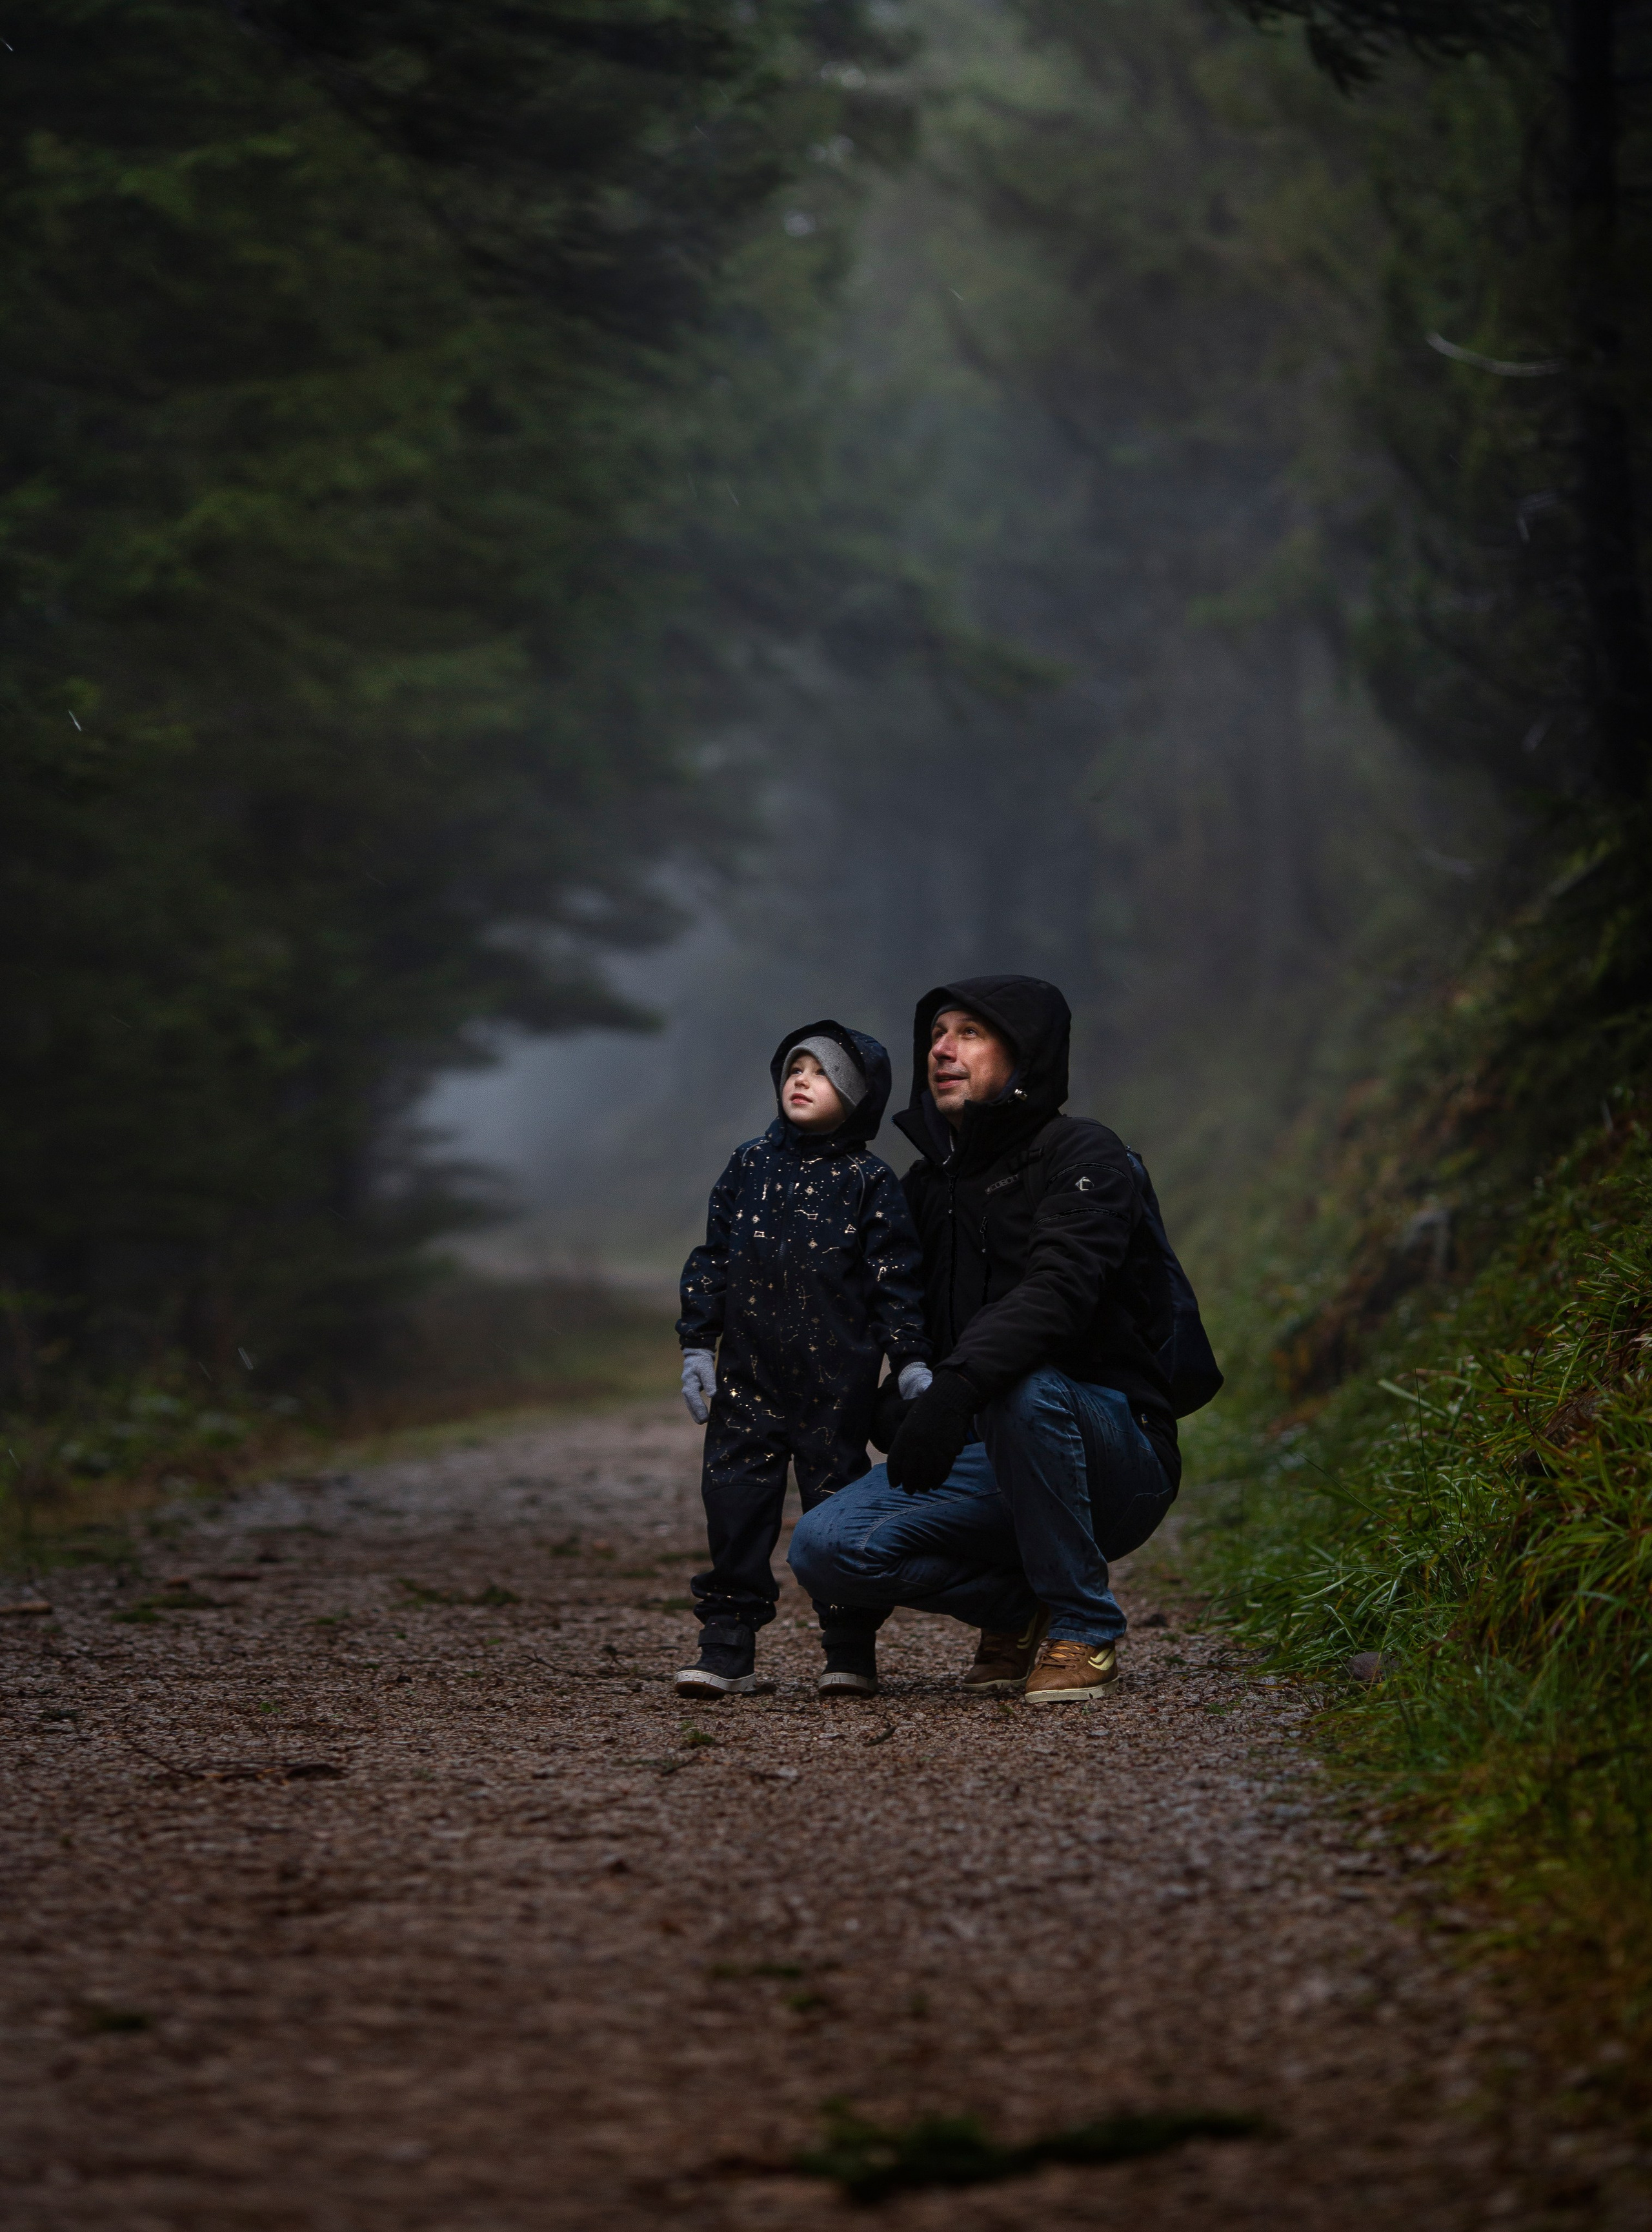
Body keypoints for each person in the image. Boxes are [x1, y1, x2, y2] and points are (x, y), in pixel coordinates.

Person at [787, 975, 1180, 1705]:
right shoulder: (924, 1187)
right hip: (988, 1456)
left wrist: (957, 1386)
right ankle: (1017, 1610)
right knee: (825, 1548)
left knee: (1019, 1382)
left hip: (1115, 1455)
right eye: (937, 1034)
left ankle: (1085, 1625)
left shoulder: (1083, 1155)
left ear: (1024, 1052)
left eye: (970, 1032)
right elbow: (881, 1309)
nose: (942, 1049)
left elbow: (1057, 1292)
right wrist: (893, 1403)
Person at [674, 1020, 932, 1701]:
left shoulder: (869, 1182)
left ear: (858, 1096)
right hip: (748, 1379)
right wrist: (698, 1343)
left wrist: (910, 1359)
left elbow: (895, 1280)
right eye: (795, 1068)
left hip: (836, 1387)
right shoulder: (749, 1164)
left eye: (823, 1073)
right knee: (733, 1505)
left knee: (835, 1512)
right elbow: (712, 1259)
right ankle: (727, 1643)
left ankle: (849, 1645)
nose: (802, 1080)